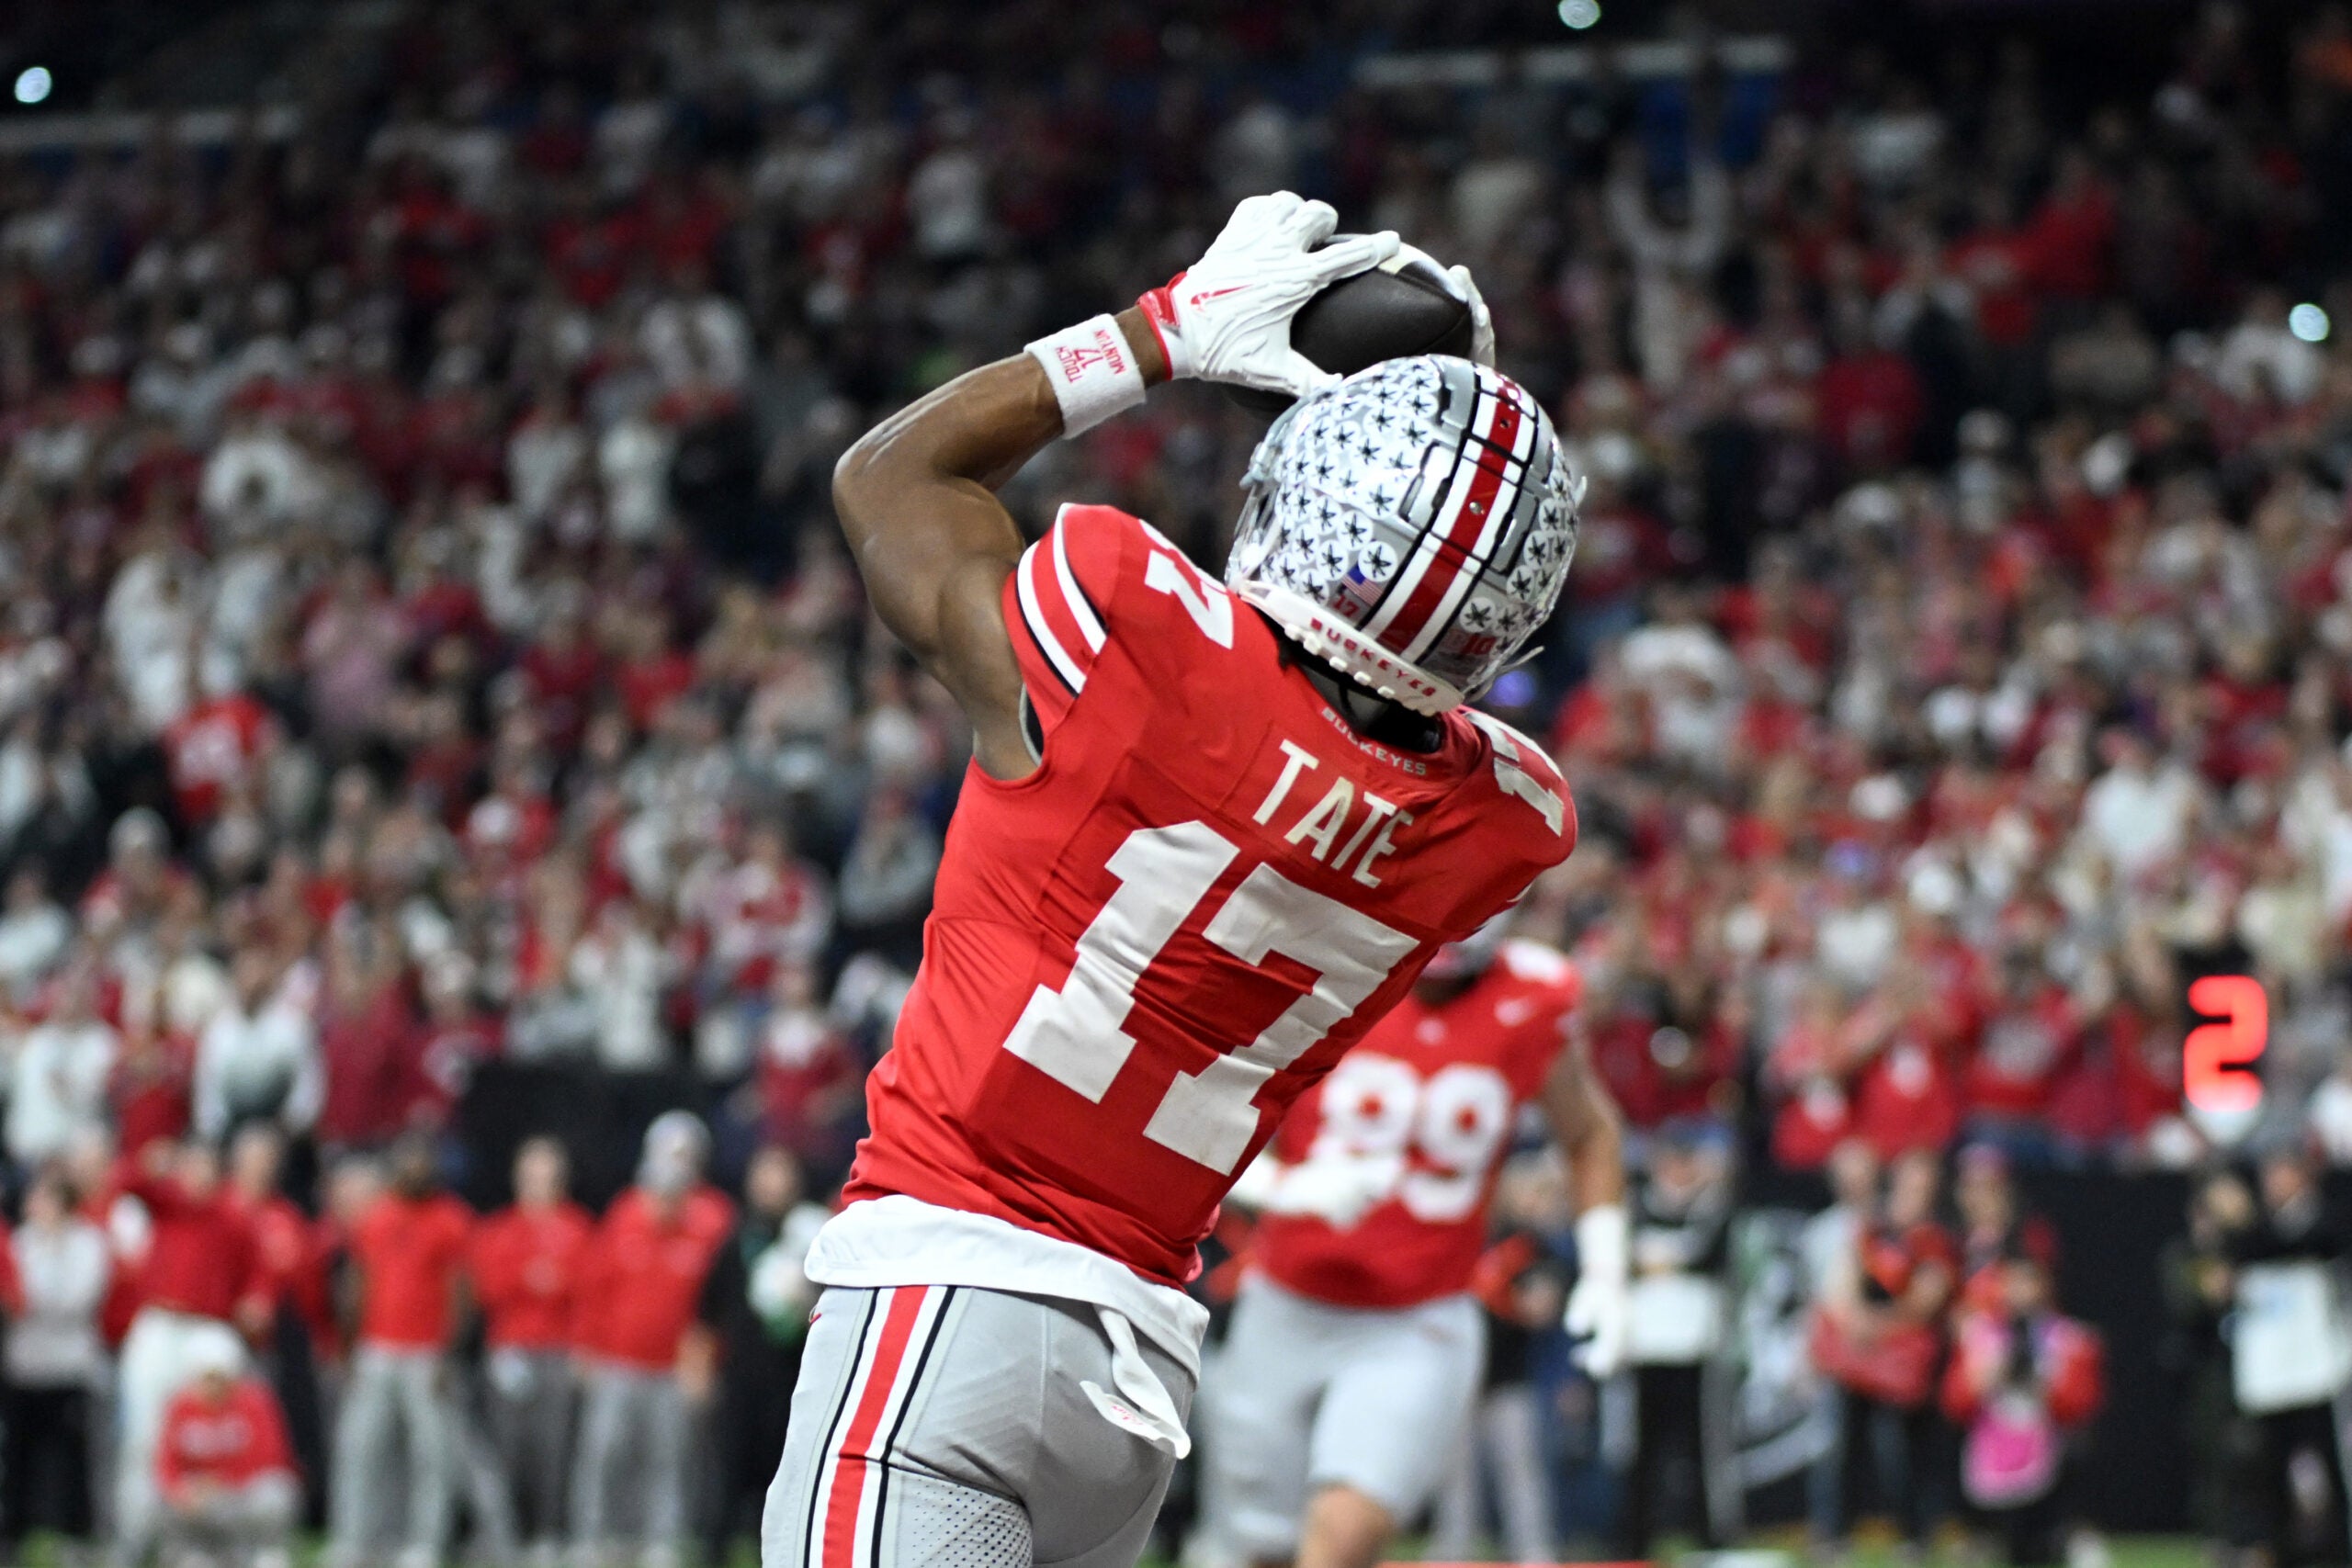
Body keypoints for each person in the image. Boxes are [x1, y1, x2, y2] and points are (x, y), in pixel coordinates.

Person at [771, 193, 1581, 1568]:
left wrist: (1163, 333)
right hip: (1133, 1378)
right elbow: (1407, 680)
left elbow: (892, 484)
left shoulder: (1131, 620)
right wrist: (1467, 452)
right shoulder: (1501, 820)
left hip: (951, 1293)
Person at [1200, 924, 1624, 1568]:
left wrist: (1606, 1270)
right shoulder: (1325, 956)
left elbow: (1589, 1133)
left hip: (1418, 1317)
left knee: (1342, 1539)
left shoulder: (1534, 995)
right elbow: (1201, 1104)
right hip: (1286, 1304)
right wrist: (1282, 1185)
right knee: (1261, 1548)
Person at [571, 1112, 733, 1568]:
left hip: (675, 1366)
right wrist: (585, 1347)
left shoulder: (712, 1219)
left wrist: (707, 1360)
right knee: (605, 1454)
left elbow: (717, 1304)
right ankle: (595, 1535)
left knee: (669, 1460)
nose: (661, 1199)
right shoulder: (624, 1213)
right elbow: (595, 1287)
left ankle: (661, 1540)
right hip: (618, 1362)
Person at [115, 1135, 273, 1562]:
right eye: (189, 1166)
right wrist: (151, 1161)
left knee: (210, 1432)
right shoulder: (169, 1202)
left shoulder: (233, 1215)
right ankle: (136, 1537)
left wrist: (256, 1301)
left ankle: (210, 1540)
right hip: (160, 1324)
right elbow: (125, 1181)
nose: (195, 1175)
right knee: (144, 1435)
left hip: (208, 1329)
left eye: (203, 1166)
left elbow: (258, 1273)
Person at [329, 1132, 474, 1568]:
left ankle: (426, 1544)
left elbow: (461, 1293)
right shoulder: (378, 1215)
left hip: (427, 1353)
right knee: (361, 1450)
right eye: (407, 1162)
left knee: (432, 1454)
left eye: (421, 1163)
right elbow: (357, 1281)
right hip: (376, 1347)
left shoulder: (450, 1218)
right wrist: (349, 1347)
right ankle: (354, 1539)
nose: (414, 1171)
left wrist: (450, 1354)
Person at [1809, 1147, 1959, 1561]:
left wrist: (1876, 1326)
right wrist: (1855, 1320)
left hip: (1905, 1363)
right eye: (1907, 1186)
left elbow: (1926, 1301)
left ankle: (1914, 1534)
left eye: (1922, 1189)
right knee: (1844, 1447)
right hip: (1859, 1357)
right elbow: (1844, 1283)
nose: (1912, 1197)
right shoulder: (1873, 1232)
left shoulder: (1936, 1241)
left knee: (1902, 1452)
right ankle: (1834, 1533)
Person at [698, 1145, 830, 1567]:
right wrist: (698, 1371)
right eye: (764, 1173)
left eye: (781, 1173)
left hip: (795, 1384)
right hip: (741, 1382)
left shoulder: (813, 1237)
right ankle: (713, 1552)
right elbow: (706, 1311)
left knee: (788, 1478)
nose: (771, 1184)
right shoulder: (736, 1240)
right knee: (727, 1476)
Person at [2224, 1138, 2352, 1567]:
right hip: (2273, 1372)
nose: (2273, 1182)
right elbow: (2242, 1257)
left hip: (2318, 1367)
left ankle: (2337, 1551)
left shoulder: (2328, 1220)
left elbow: (2315, 1245)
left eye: (2281, 1171)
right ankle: (2281, 1551)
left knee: (2328, 1466)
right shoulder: (2256, 1228)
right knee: (2270, 1467)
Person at [1615, 1122, 1738, 1561]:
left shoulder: (1711, 1208)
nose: (1677, 1171)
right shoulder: (1634, 1207)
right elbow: (1624, 1259)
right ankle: (1635, 1539)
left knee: (1700, 1449)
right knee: (1641, 1451)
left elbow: (1708, 1257)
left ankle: (1710, 1535)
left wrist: (1659, 1261)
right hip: (1645, 1348)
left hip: (1693, 1347)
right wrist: (1673, 1260)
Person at [471, 1136, 592, 1567]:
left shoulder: (576, 1227)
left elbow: (582, 1291)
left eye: (547, 1176)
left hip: (557, 1351)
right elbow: (489, 1288)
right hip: (510, 1351)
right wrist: (535, 1278)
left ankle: (548, 1534)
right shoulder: (500, 1228)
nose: (539, 1184)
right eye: (531, 1175)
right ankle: (501, 1536)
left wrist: (538, 1281)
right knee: (505, 1449)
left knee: (554, 1449)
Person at [1942, 1255, 2104, 1566]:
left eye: (2028, 1282)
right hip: (1991, 1448)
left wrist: (2047, 1388)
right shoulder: (1980, 1336)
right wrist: (1986, 1378)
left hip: (2049, 1453)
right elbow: (1954, 1401)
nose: (2020, 1292)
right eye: (2012, 1282)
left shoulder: (2067, 1337)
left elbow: (2084, 1402)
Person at [4, 1168, 109, 1562]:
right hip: (26, 1366)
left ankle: (76, 1534)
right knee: (19, 1455)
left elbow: (76, 1298)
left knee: (71, 1457)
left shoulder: (87, 1243)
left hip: (69, 1366)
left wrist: (32, 1299)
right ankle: (16, 1531)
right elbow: (14, 1297)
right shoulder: (19, 1242)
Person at [155, 1324, 300, 1568]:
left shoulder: (254, 1401)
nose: (213, 1386)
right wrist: (181, 1491)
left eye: (219, 1377)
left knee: (275, 1492)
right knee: (162, 1500)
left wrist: (220, 1480)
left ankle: (263, 1552)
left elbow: (271, 1456)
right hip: (203, 1501)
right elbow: (166, 1461)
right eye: (206, 1377)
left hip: (241, 1495)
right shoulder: (180, 1406)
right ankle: (194, 1554)